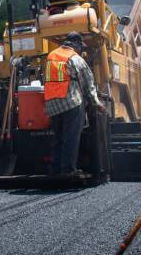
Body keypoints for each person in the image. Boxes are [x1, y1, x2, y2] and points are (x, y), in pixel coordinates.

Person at [44, 32, 103, 177]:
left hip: (52, 104)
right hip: (71, 102)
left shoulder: (50, 56)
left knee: (58, 138)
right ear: (76, 44)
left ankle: (55, 170)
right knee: (71, 137)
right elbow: (88, 85)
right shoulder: (75, 59)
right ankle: (68, 170)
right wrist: (97, 103)